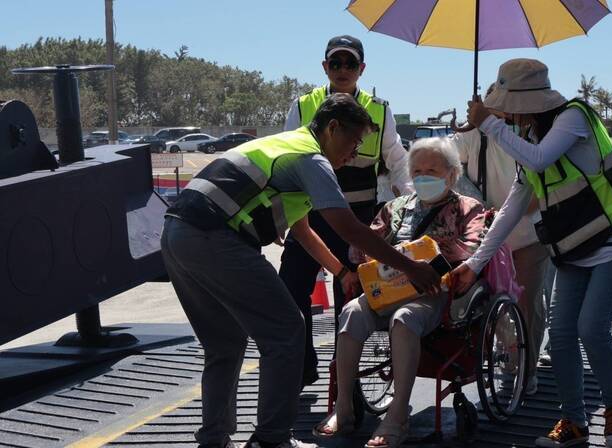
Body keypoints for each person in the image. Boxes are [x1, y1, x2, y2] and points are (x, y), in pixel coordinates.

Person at [161, 94, 440, 448]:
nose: (354, 155)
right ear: (332, 128)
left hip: (176, 233)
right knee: (287, 330)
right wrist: (411, 268)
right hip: (215, 236)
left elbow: (304, 231)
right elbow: (348, 227)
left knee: (224, 343)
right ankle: (273, 439)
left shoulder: (284, 146)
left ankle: (214, 439)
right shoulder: (311, 158)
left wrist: (341, 273)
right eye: (353, 143)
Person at [454, 58, 612, 448]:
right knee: (560, 337)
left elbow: (541, 159)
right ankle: (573, 421)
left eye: (510, 106)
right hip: (575, 248)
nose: (507, 114)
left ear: (530, 101)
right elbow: (511, 209)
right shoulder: (530, 143)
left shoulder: (573, 118)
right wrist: (475, 263)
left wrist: (487, 122)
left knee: (591, 328)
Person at [313, 138, 486, 448]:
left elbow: (473, 248)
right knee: (351, 311)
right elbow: (359, 248)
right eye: (417, 170)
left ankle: (397, 417)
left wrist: (427, 251)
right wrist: (381, 258)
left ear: (452, 173)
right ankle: (344, 408)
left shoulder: (467, 208)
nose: (423, 177)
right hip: (386, 289)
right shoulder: (395, 207)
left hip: (434, 293)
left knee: (405, 317)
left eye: (432, 170)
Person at [280, 35, 413, 387]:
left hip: (356, 224)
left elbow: (398, 164)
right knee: (291, 293)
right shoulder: (302, 105)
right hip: (308, 220)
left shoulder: (380, 110)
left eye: (349, 64)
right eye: (335, 63)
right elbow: (287, 161)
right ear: (324, 67)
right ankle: (300, 369)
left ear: (361, 69)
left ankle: (345, 382)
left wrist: (412, 202)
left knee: (351, 302)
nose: (342, 70)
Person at [451, 85, 549, 394]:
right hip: (487, 235)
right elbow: (452, 168)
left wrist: (519, 209)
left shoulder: (533, 133)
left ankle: (527, 367)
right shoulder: (470, 133)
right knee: (493, 302)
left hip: (530, 234)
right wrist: (477, 206)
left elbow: (538, 185)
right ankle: (510, 359)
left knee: (528, 302)